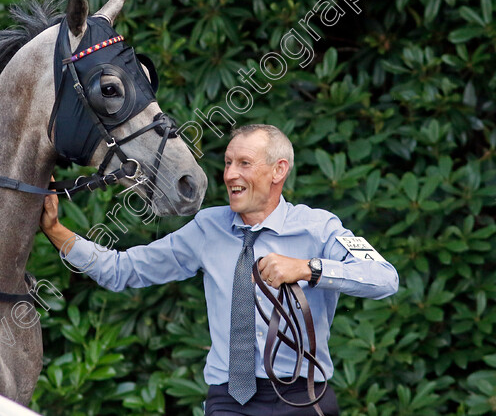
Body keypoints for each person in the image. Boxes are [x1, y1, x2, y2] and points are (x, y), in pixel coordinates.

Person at [39, 124, 398, 415]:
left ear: (278, 170)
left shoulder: (319, 228)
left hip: (304, 397)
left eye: (244, 163)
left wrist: (308, 268)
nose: (229, 175)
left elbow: (385, 277)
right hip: (229, 399)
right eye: (227, 163)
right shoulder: (206, 228)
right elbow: (124, 269)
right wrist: (58, 232)